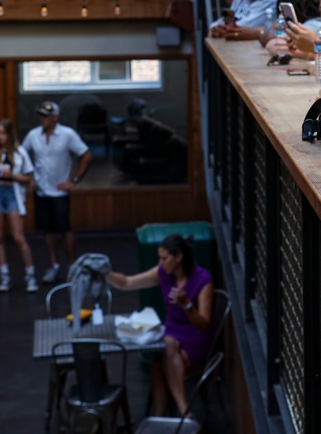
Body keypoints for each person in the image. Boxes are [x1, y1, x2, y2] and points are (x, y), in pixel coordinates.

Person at [107, 234, 214, 416]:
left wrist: (186, 304)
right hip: (172, 333)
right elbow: (126, 282)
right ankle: (165, 415)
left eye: (164, 258)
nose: (161, 262)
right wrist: (104, 273)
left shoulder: (203, 279)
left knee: (166, 348)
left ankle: (178, 410)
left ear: (178, 257)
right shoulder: (163, 273)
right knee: (160, 361)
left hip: (195, 338)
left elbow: (204, 324)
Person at [22, 101, 92, 285]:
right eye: (41, 115)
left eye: (46, 115)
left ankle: (72, 266)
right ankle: (54, 265)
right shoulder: (33, 135)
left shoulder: (67, 134)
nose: (42, 119)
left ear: (55, 117)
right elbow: (21, 155)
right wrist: (29, 177)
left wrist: (74, 180)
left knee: (65, 230)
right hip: (41, 191)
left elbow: (86, 155)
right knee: (47, 230)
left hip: (60, 191)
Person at [0, 119, 38, 293]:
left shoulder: (20, 152)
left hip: (12, 193)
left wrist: (13, 176)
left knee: (18, 236)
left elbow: (29, 177)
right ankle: (4, 274)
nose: (0, 137)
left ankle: (30, 274)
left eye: (3, 133)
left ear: (9, 134)